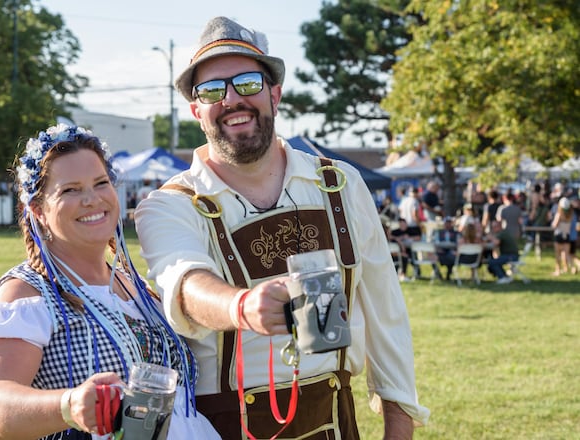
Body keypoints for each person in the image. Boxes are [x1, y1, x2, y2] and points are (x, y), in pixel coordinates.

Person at [134, 16, 428, 440]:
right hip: (222, 429)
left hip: (332, 423)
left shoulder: (340, 184)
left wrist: (398, 424)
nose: (232, 99)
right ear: (197, 111)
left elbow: (386, 312)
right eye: (213, 90)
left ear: (275, 93)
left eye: (248, 83)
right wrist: (241, 307)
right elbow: (185, 282)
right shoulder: (170, 203)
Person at [0, 124, 219, 440]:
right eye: (70, 190)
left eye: (100, 183)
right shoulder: (27, 293)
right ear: (38, 210)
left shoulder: (134, 287)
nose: (92, 199)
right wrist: (69, 405)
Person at [550, 197, 577, 276]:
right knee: (567, 254)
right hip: (567, 236)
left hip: (559, 236)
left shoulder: (559, 214)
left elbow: (554, 225)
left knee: (558, 254)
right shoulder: (570, 215)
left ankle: (558, 270)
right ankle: (572, 268)